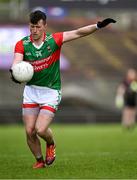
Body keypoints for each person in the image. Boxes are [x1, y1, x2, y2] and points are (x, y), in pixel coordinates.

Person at [10, 10, 116, 169]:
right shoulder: (22, 44)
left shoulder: (54, 40)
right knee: (29, 131)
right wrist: (14, 73)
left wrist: (98, 25)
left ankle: (51, 144)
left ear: (44, 26)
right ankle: (39, 161)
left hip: (51, 91)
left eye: (38, 27)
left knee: (40, 129)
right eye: (32, 27)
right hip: (31, 91)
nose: (35, 30)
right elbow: (16, 64)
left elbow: (78, 32)